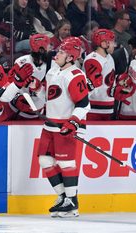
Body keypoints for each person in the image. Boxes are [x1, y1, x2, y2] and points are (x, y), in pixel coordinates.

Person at [37, 38, 90, 218]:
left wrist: (73, 122)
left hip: (66, 125)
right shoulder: (53, 71)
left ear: (70, 57)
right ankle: (63, 197)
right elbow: (49, 97)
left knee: (66, 163)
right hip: (50, 124)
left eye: (61, 52)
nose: (56, 54)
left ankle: (72, 201)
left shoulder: (75, 75)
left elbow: (84, 104)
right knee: (44, 161)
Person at [7, 34, 50, 120]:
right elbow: (10, 83)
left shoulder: (53, 65)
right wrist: (17, 96)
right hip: (16, 110)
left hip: (39, 112)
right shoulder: (21, 61)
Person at [82, 29, 116, 120]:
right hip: (94, 109)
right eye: (112, 42)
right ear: (104, 44)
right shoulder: (93, 60)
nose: (114, 45)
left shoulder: (109, 57)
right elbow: (90, 86)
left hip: (107, 107)